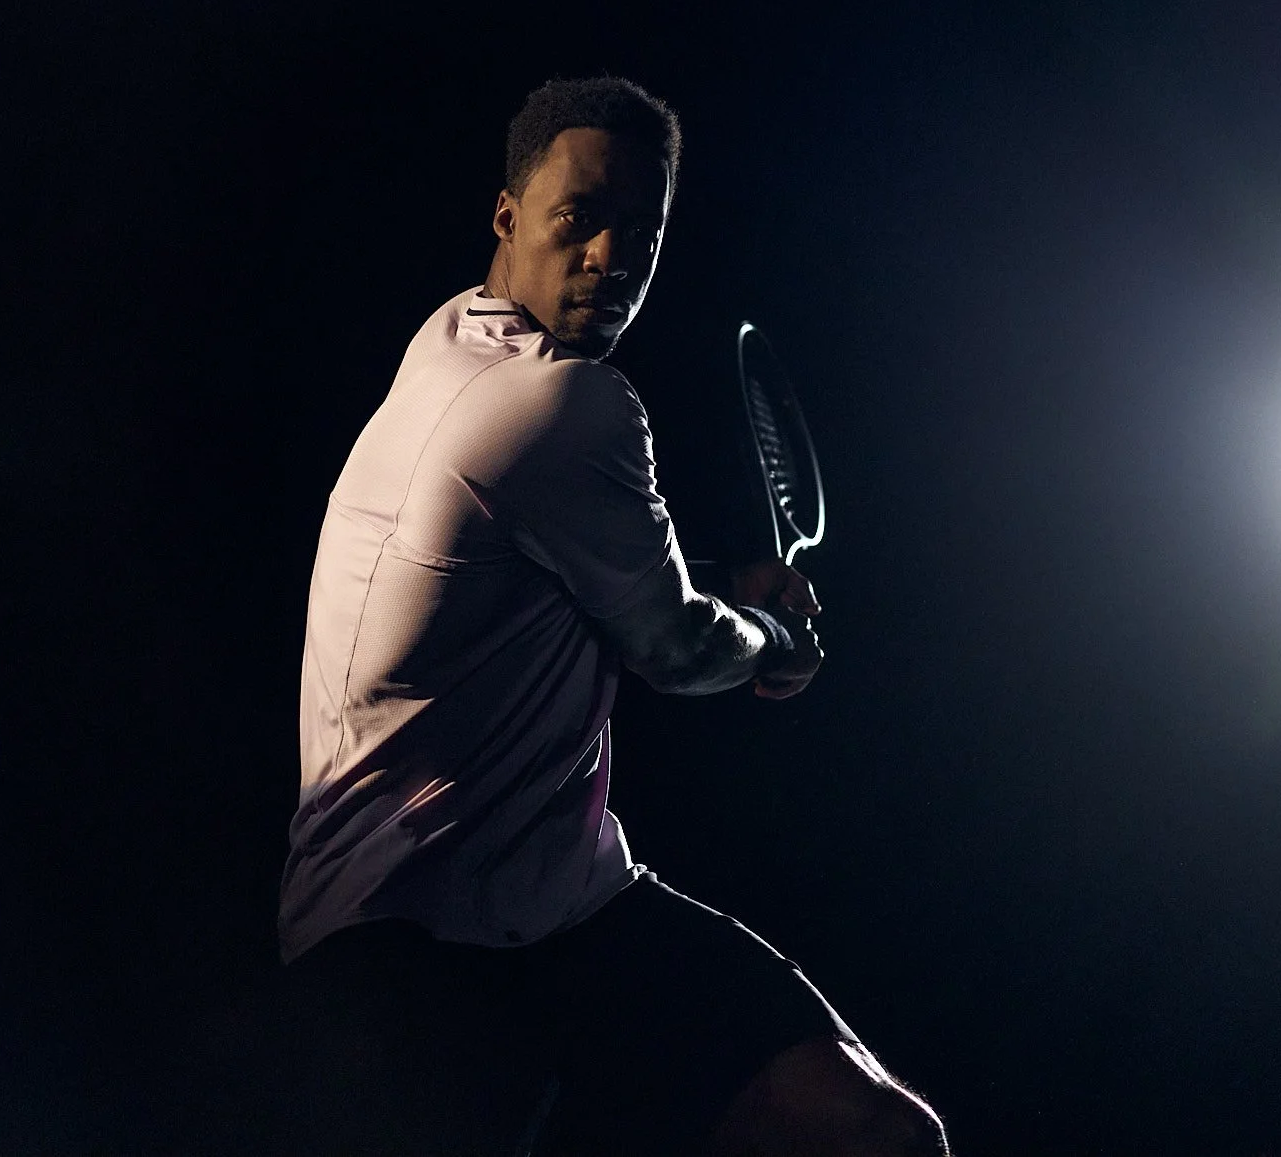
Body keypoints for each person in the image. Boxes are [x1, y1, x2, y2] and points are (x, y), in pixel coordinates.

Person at [279, 77, 947, 1156]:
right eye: (578, 218)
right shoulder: (562, 402)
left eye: (640, 232)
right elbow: (676, 648)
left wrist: (725, 592)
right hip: (417, 950)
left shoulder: (450, 341)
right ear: (508, 217)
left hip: (555, 911)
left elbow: (573, 572)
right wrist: (772, 639)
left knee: (876, 1135)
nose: (609, 256)